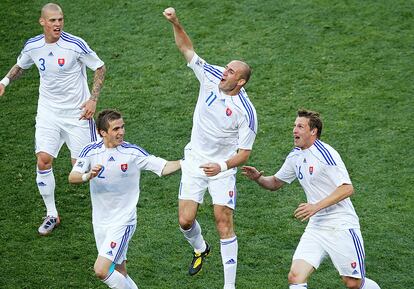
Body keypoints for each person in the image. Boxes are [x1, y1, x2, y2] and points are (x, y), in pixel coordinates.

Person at [163, 7, 258, 289]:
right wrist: (176, 22)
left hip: (222, 168)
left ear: (240, 82)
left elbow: (244, 153)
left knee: (222, 220)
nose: (223, 72)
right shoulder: (210, 75)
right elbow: (186, 48)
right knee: (185, 220)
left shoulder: (246, 112)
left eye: (230, 72)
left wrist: (222, 166)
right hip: (194, 160)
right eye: (226, 68)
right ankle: (201, 248)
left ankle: (229, 286)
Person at [242, 109, 380, 289]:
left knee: (353, 283)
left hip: (341, 225)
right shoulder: (296, 155)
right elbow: (275, 182)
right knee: (295, 276)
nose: (294, 130)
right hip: (316, 227)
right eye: (294, 126)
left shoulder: (325, 154)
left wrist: (316, 207)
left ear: (313, 131)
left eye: (300, 126)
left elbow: (347, 188)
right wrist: (258, 178)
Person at [0, 3, 106, 235]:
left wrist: (93, 100)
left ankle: (106, 209)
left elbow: (99, 67)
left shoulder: (75, 44)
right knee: (43, 160)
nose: (58, 24)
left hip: (78, 114)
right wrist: (4, 82)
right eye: (53, 20)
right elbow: (21, 65)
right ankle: (51, 214)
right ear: (42, 22)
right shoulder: (33, 46)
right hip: (48, 113)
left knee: (80, 169)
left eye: (60, 19)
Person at [69, 109, 181, 289]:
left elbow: (164, 167)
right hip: (100, 222)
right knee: (119, 271)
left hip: (123, 221)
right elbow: (72, 177)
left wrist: (184, 162)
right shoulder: (90, 151)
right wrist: (87, 175)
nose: (121, 132)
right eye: (115, 129)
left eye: (122, 127)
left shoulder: (132, 153)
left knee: (101, 270)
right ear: (102, 133)